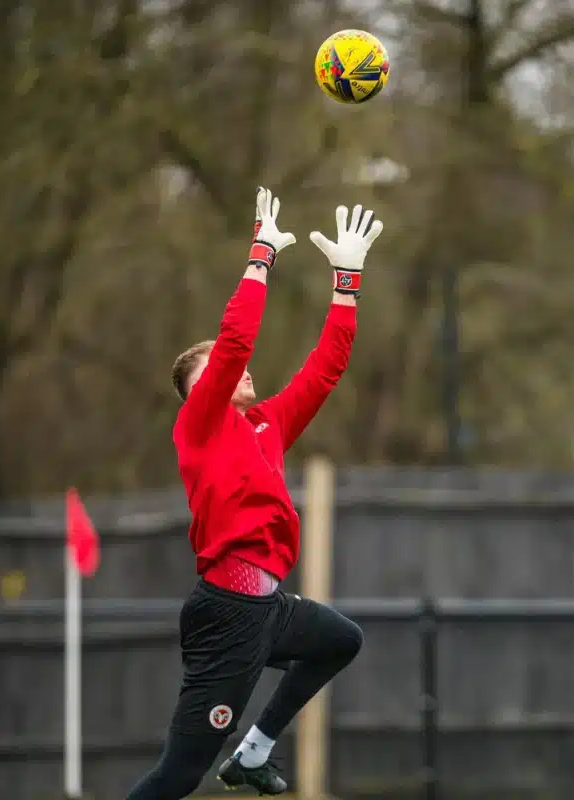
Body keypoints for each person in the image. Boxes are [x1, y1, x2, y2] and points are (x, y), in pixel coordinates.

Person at [124, 187, 384, 799]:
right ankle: (231, 758)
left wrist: (346, 284)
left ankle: (253, 753)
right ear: (197, 391)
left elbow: (325, 369)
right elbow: (236, 338)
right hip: (227, 614)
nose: (235, 367)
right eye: (213, 367)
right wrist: (260, 253)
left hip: (268, 609)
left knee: (341, 640)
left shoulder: (265, 425)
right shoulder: (200, 425)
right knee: (178, 776)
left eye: (228, 364)